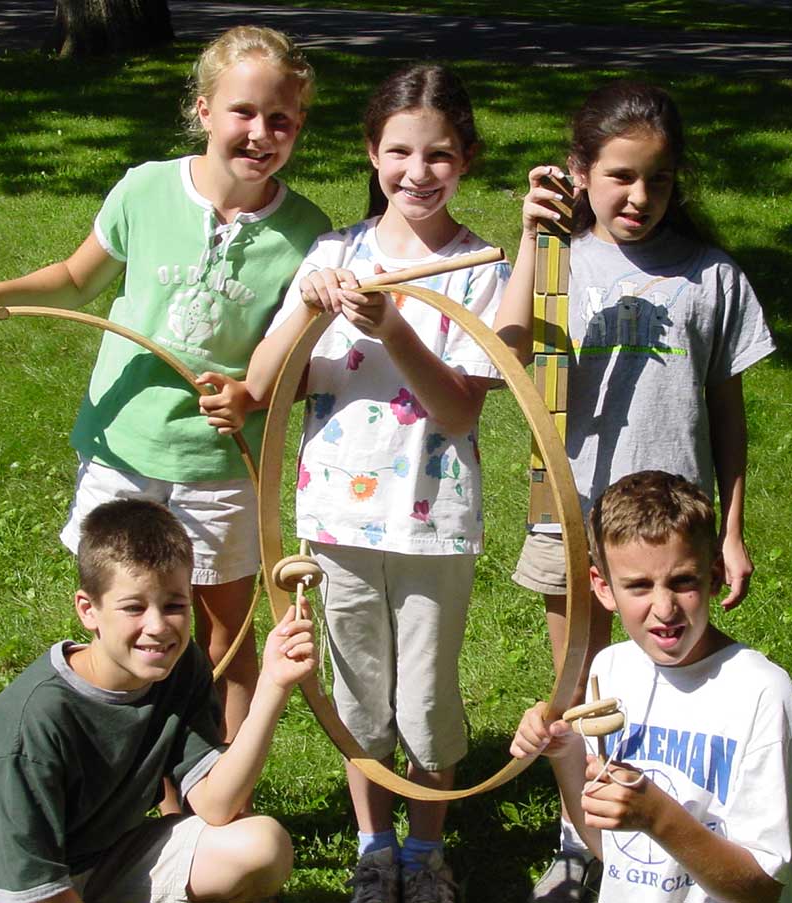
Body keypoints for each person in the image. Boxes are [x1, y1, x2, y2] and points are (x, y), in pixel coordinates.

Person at [0, 26, 331, 743]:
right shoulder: (146, 189)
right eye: (243, 111)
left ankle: (213, 789)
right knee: (119, 624)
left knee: (223, 632)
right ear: (204, 109)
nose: (260, 132)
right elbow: (74, 276)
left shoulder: (308, 232)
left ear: (299, 126)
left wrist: (251, 392)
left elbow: (299, 356)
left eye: (281, 119)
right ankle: (113, 773)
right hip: (122, 445)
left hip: (218, 461)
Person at [492, 81, 776, 900]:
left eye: (656, 178)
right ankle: (582, 841)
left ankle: (674, 819)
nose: (639, 196)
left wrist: (731, 528)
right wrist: (530, 237)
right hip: (572, 518)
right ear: (579, 171)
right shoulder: (558, 261)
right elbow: (506, 354)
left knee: (666, 672)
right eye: (618, 176)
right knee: (576, 688)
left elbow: (728, 410)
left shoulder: (709, 275)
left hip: (673, 532)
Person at [244, 64, 510, 903]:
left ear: (465, 158)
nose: (417, 172)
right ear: (372, 151)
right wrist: (307, 311)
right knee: (360, 693)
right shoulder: (334, 256)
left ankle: (425, 850)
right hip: (337, 518)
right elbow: (264, 385)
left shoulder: (477, 269)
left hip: (431, 520)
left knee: (427, 701)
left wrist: (392, 326)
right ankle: (373, 841)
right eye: (399, 151)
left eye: (438, 155)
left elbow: (458, 411)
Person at [0, 497, 316, 903]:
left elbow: (217, 804)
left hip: (98, 863)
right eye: (133, 608)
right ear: (88, 610)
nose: (157, 627)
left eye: (174, 605)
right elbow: (30, 885)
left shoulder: (178, 666)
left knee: (260, 845)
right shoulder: (35, 718)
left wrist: (273, 687)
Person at [511, 470, 792, 903]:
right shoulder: (611, 668)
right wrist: (564, 755)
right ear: (603, 588)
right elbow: (609, 850)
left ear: (713, 576)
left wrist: (658, 816)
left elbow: (760, 889)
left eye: (682, 581)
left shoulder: (763, 695)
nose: (664, 608)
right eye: (638, 586)